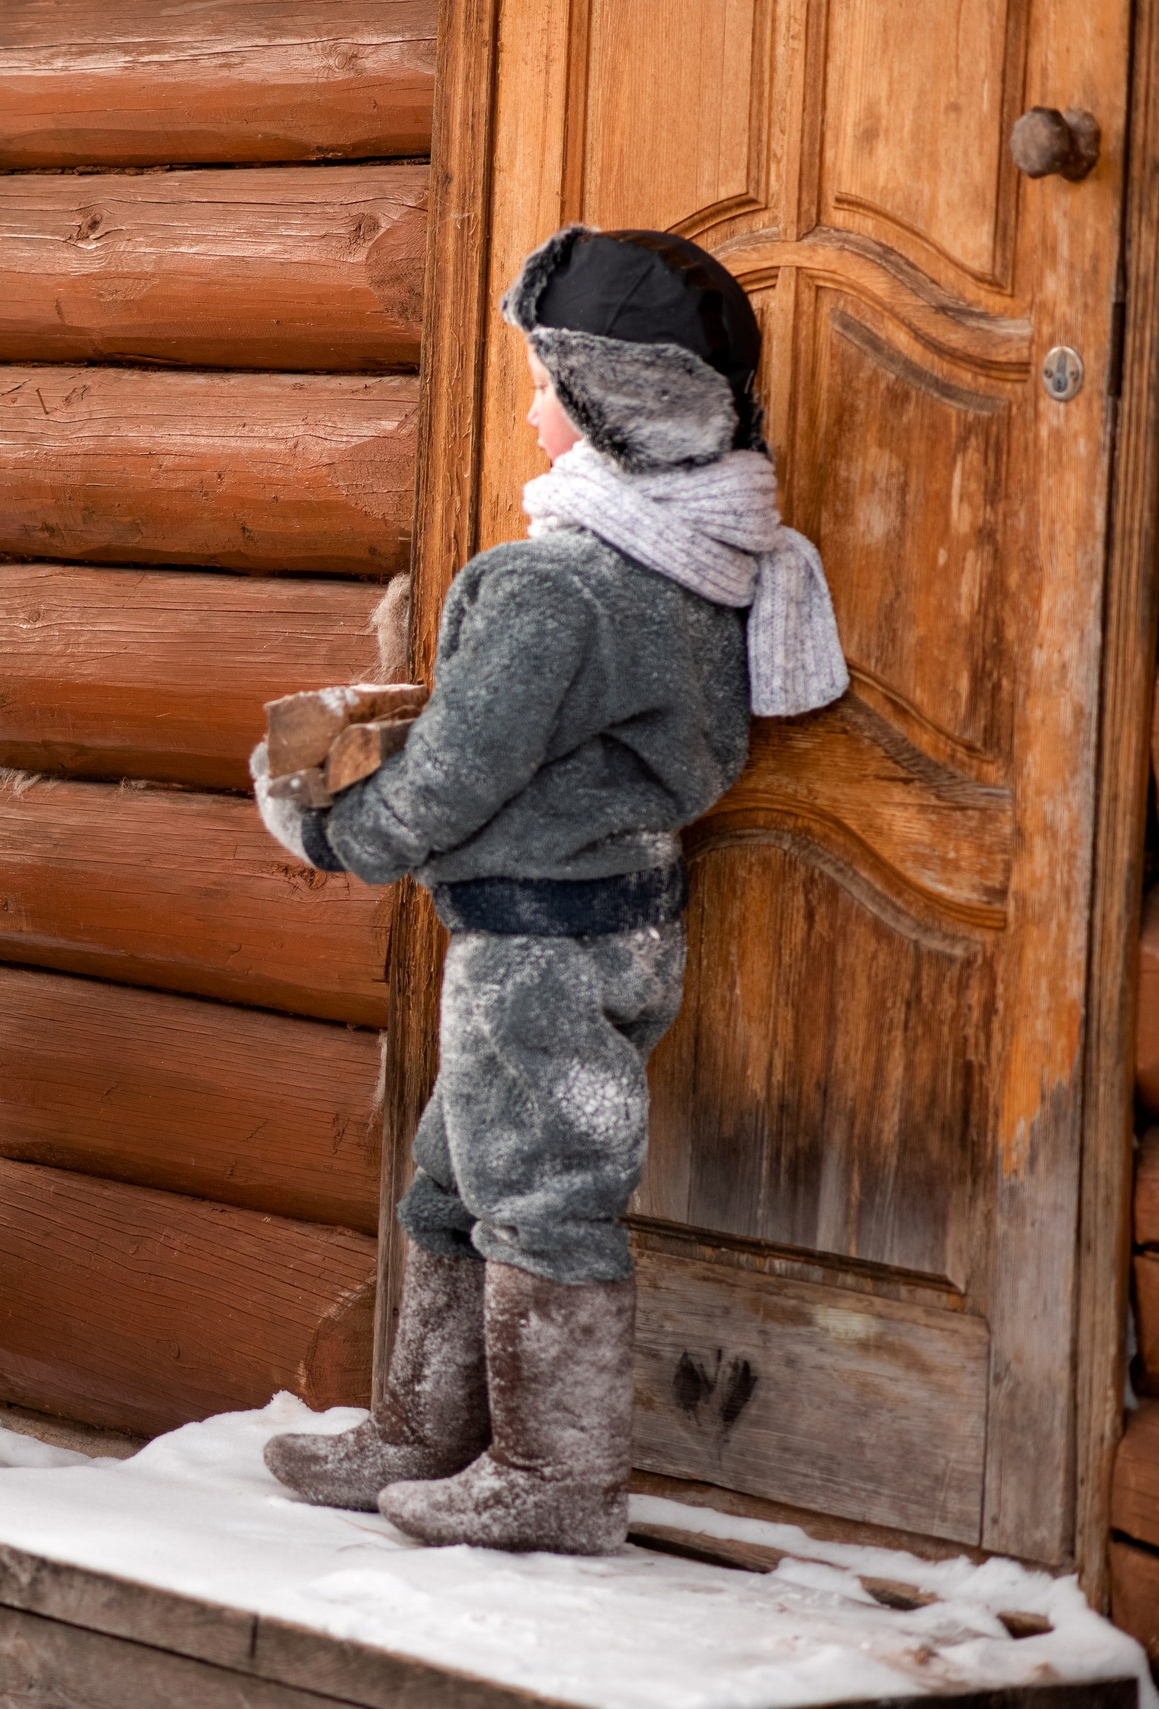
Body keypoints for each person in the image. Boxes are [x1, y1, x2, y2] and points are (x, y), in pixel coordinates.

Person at [255, 225, 846, 1555]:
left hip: (534, 938)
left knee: (536, 1191)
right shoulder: (701, 569)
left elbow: (456, 773)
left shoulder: (551, 585)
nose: (529, 412)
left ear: (611, 401)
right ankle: (421, 1431)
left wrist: (338, 831)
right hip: (625, 929)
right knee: (458, 1169)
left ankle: (553, 1476)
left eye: (545, 387)